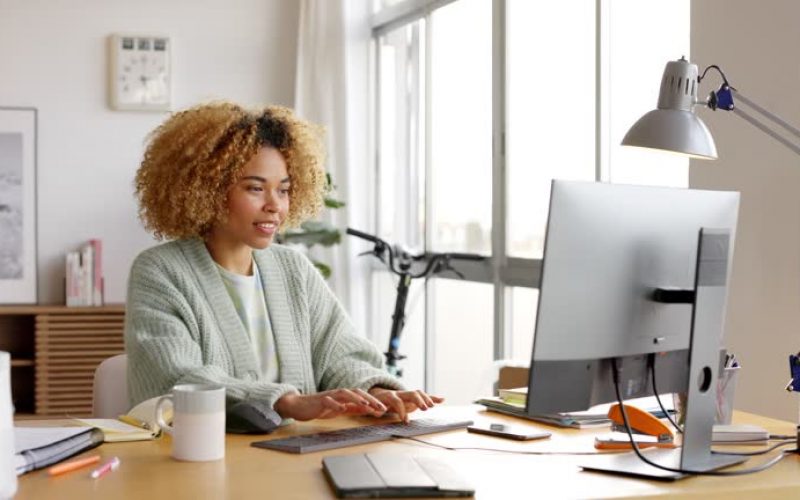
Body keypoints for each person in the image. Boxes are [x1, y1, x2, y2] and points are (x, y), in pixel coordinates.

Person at [125, 102, 443, 425]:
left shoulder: (293, 269)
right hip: (202, 460)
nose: (275, 205)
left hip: (295, 459)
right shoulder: (160, 272)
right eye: (255, 188)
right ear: (208, 189)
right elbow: (177, 378)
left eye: (284, 190)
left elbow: (341, 353)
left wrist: (374, 389)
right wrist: (287, 402)